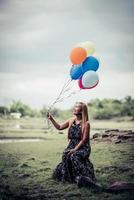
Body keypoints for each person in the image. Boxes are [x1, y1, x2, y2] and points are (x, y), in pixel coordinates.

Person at [47, 102, 97, 187]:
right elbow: (59, 127)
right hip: (72, 145)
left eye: (77, 107)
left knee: (74, 156)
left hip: (83, 147)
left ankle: (80, 177)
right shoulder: (71, 120)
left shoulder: (86, 123)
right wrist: (51, 119)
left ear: (82, 111)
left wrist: (75, 149)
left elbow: (84, 140)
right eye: (75, 106)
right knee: (65, 155)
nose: (74, 108)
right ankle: (69, 178)